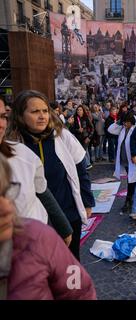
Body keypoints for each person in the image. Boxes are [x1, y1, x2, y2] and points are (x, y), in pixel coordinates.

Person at [7, 90, 95, 261]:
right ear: (20, 115)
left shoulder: (61, 135)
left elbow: (80, 167)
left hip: (68, 213)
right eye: (34, 112)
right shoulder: (13, 146)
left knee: (71, 263)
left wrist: (86, 201)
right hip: (35, 221)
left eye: (45, 111)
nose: (42, 116)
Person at [0, 154, 96, 300]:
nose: (6, 208)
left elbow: (80, 290)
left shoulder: (39, 238)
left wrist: (65, 225)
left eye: (6, 191)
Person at [0, 96, 73, 246]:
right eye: (35, 111)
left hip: (34, 241)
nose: (0, 124)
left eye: (2, 117)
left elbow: (42, 191)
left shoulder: (21, 153)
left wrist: (64, 227)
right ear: (20, 116)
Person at [109, 112, 136, 215]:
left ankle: (129, 200)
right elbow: (110, 129)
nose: (126, 124)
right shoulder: (122, 129)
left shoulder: (135, 129)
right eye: (124, 122)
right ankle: (130, 199)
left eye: (127, 122)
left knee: (132, 181)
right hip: (124, 159)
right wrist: (119, 122)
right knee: (131, 180)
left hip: (132, 160)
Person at [70, 105, 94, 169]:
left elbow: (92, 128)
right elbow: (71, 130)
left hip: (86, 137)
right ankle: (88, 163)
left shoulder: (86, 118)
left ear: (83, 111)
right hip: (78, 138)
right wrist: (77, 130)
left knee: (83, 151)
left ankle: (88, 164)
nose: (79, 111)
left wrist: (89, 137)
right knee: (85, 151)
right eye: (78, 110)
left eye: (80, 110)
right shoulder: (74, 118)